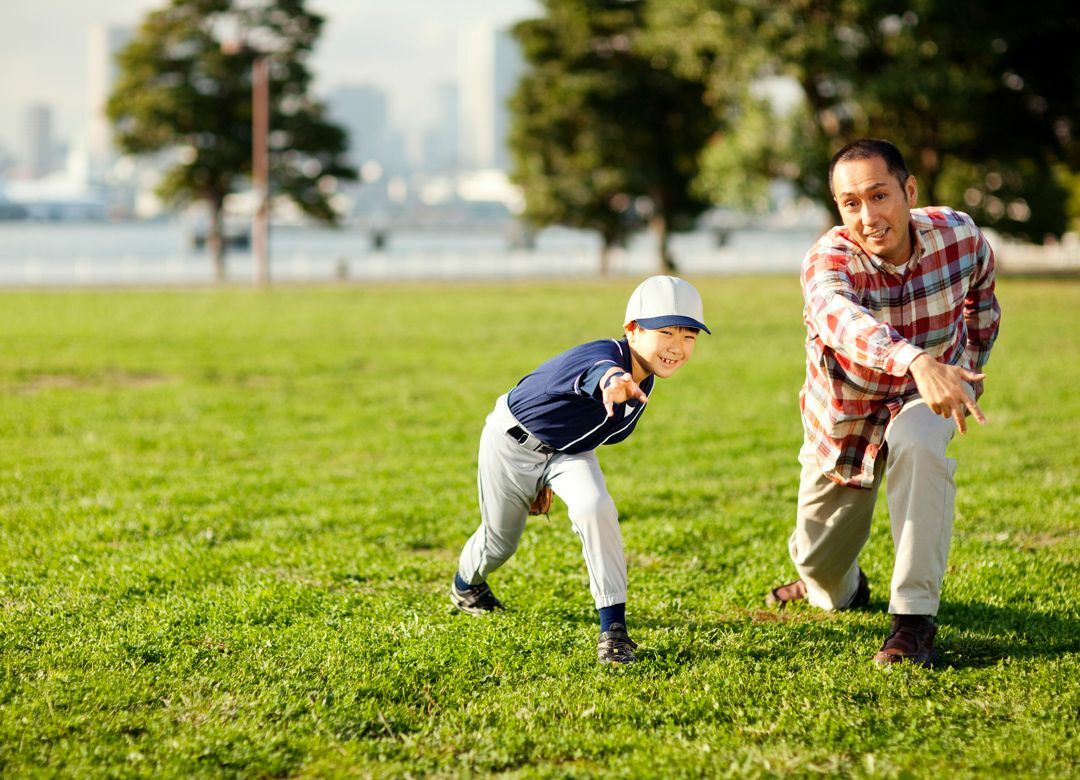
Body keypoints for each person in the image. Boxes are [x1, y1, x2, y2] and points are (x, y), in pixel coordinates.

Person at [766, 138, 1001, 668]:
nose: (868, 216)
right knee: (817, 565)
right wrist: (918, 360)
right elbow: (847, 324)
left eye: (879, 196)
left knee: (920, 447)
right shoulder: (827, 261)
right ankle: (840, 585)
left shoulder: (958, 235)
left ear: (908, 190)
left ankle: (913, 622)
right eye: (851, 203)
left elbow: (982, 296)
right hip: (845, 420)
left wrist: (966, 374)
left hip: (922, 399)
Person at [450, 275, 710, 665]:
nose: (677, 346)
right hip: (511, 443)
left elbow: (592, 428)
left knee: (595, 505)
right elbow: (599, 374)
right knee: (500, 542)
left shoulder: (645, 383)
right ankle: (465, 586)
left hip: (567, 452)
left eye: (689, 336)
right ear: (632, 330)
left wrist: (554, 476)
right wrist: (613, 381)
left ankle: (613, 632)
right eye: (665, 332)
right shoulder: (603, 358)